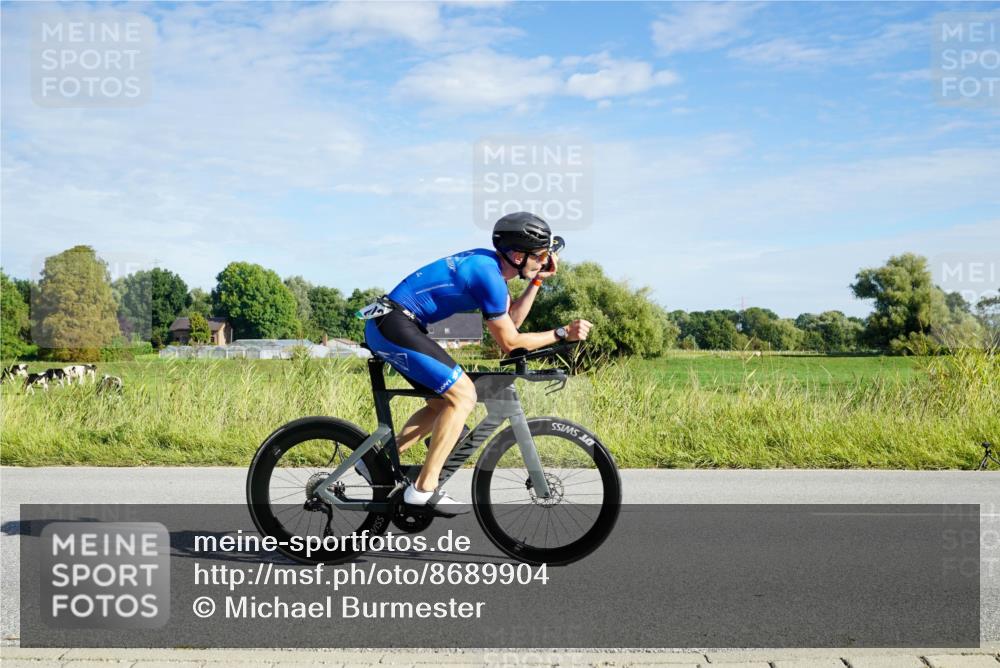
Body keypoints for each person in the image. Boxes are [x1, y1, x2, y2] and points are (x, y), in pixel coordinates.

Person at [361, 212, 592, 516]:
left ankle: (374, 462)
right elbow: (510, 343)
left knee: (442, 403)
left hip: (397, 323)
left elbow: (512, 323)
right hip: (392, 324)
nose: (545, 260)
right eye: (539, 256)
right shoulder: (488, 276)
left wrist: (536, 280)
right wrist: (562, 333)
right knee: (463, 395)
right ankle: (422, 489)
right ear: (517, 255)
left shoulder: (491, 268)